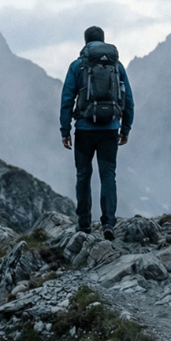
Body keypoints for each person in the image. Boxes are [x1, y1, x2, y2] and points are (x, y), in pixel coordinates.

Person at [60, 26, 134, 239]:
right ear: (103, 40)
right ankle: (108, 223)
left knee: (83, 175)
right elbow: (128, 99)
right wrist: (125, 128)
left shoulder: (77, 66)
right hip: (110, 129)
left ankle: (84, 225)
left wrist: (65, 130)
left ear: (85, 42)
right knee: (108, 175)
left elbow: (67, 99)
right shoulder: (116, 66)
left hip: (84, 130)